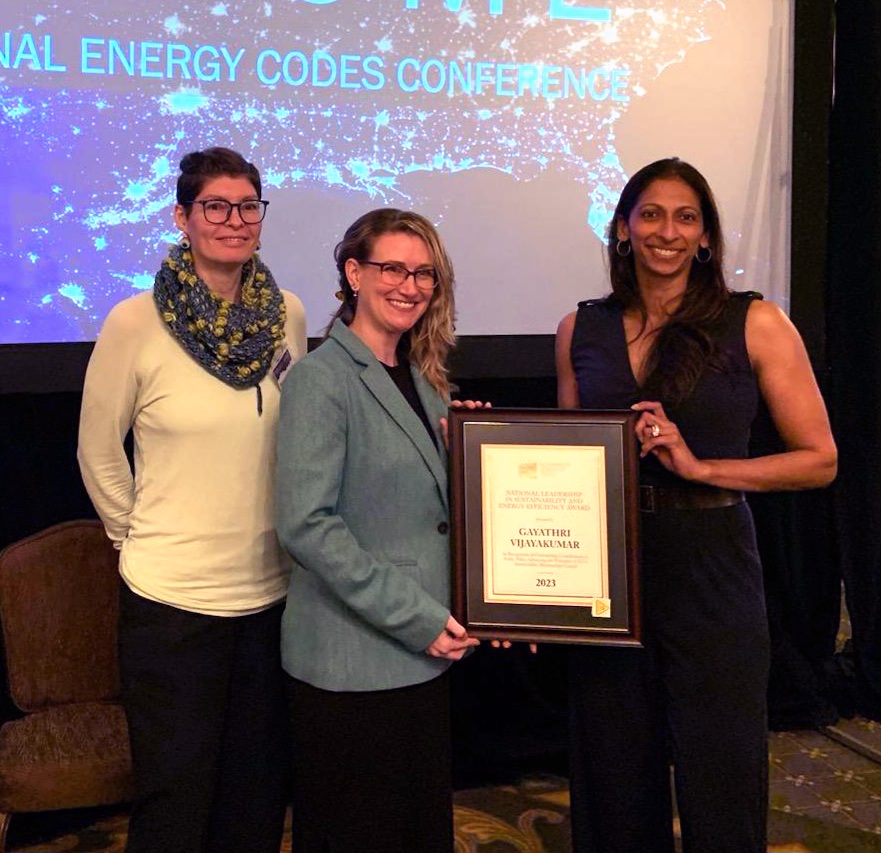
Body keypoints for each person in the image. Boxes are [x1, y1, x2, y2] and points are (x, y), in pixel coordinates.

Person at [555, 157, 837, 853]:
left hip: (712, 563)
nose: (666, 232)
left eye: (685, 218)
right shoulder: (577, 328)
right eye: (649, 214)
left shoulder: (757, 322)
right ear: (621, 228)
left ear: (706, 236)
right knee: (612, 774)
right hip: (610, 575)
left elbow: (819, 459)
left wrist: (700, 464)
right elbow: (569, 466)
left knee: (720, 776)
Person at [77, 147, 306, 853]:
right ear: (182, 217)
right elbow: (96, 451)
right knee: (175, 801)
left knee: (255, 796)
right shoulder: (133, 323)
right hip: (170, 602)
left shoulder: (288, 314)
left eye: (247, 206)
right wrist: (135, 537)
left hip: (269, 597)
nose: (233, 220)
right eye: (215, 206)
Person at [275, 208, 480, 853]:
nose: (410, 285)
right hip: (353, 664)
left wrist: (475, 450)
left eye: (424, 273)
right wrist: (419, 619)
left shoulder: (426, 382)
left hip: (420, 659)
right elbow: (307, 526)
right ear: (353, 273)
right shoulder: (319, 379)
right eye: (393, 268)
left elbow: (430, 512)